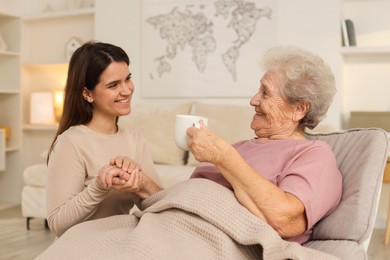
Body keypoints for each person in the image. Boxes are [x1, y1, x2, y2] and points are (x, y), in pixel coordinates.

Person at [37, 45, 342, 259]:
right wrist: (141, 184)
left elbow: (286, 220)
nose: (252, 99)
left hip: (211, 239)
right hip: (162, 224)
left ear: (299, 109)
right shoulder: (241, 148)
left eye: (265, 92)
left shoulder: (314, 155)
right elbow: (182, 203)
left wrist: (222, 156)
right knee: (80, 244)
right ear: (87, 94)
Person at [45, 41, 162, 237]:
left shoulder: (134, 139)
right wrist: (99, 186)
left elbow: (161, 207)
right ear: (87, 93)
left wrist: (138, 184)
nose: (127, 90)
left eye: (128, 79)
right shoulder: (71, 142)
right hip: (83, 248)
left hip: (121, 242)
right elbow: (57, 225)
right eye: (113, 85)